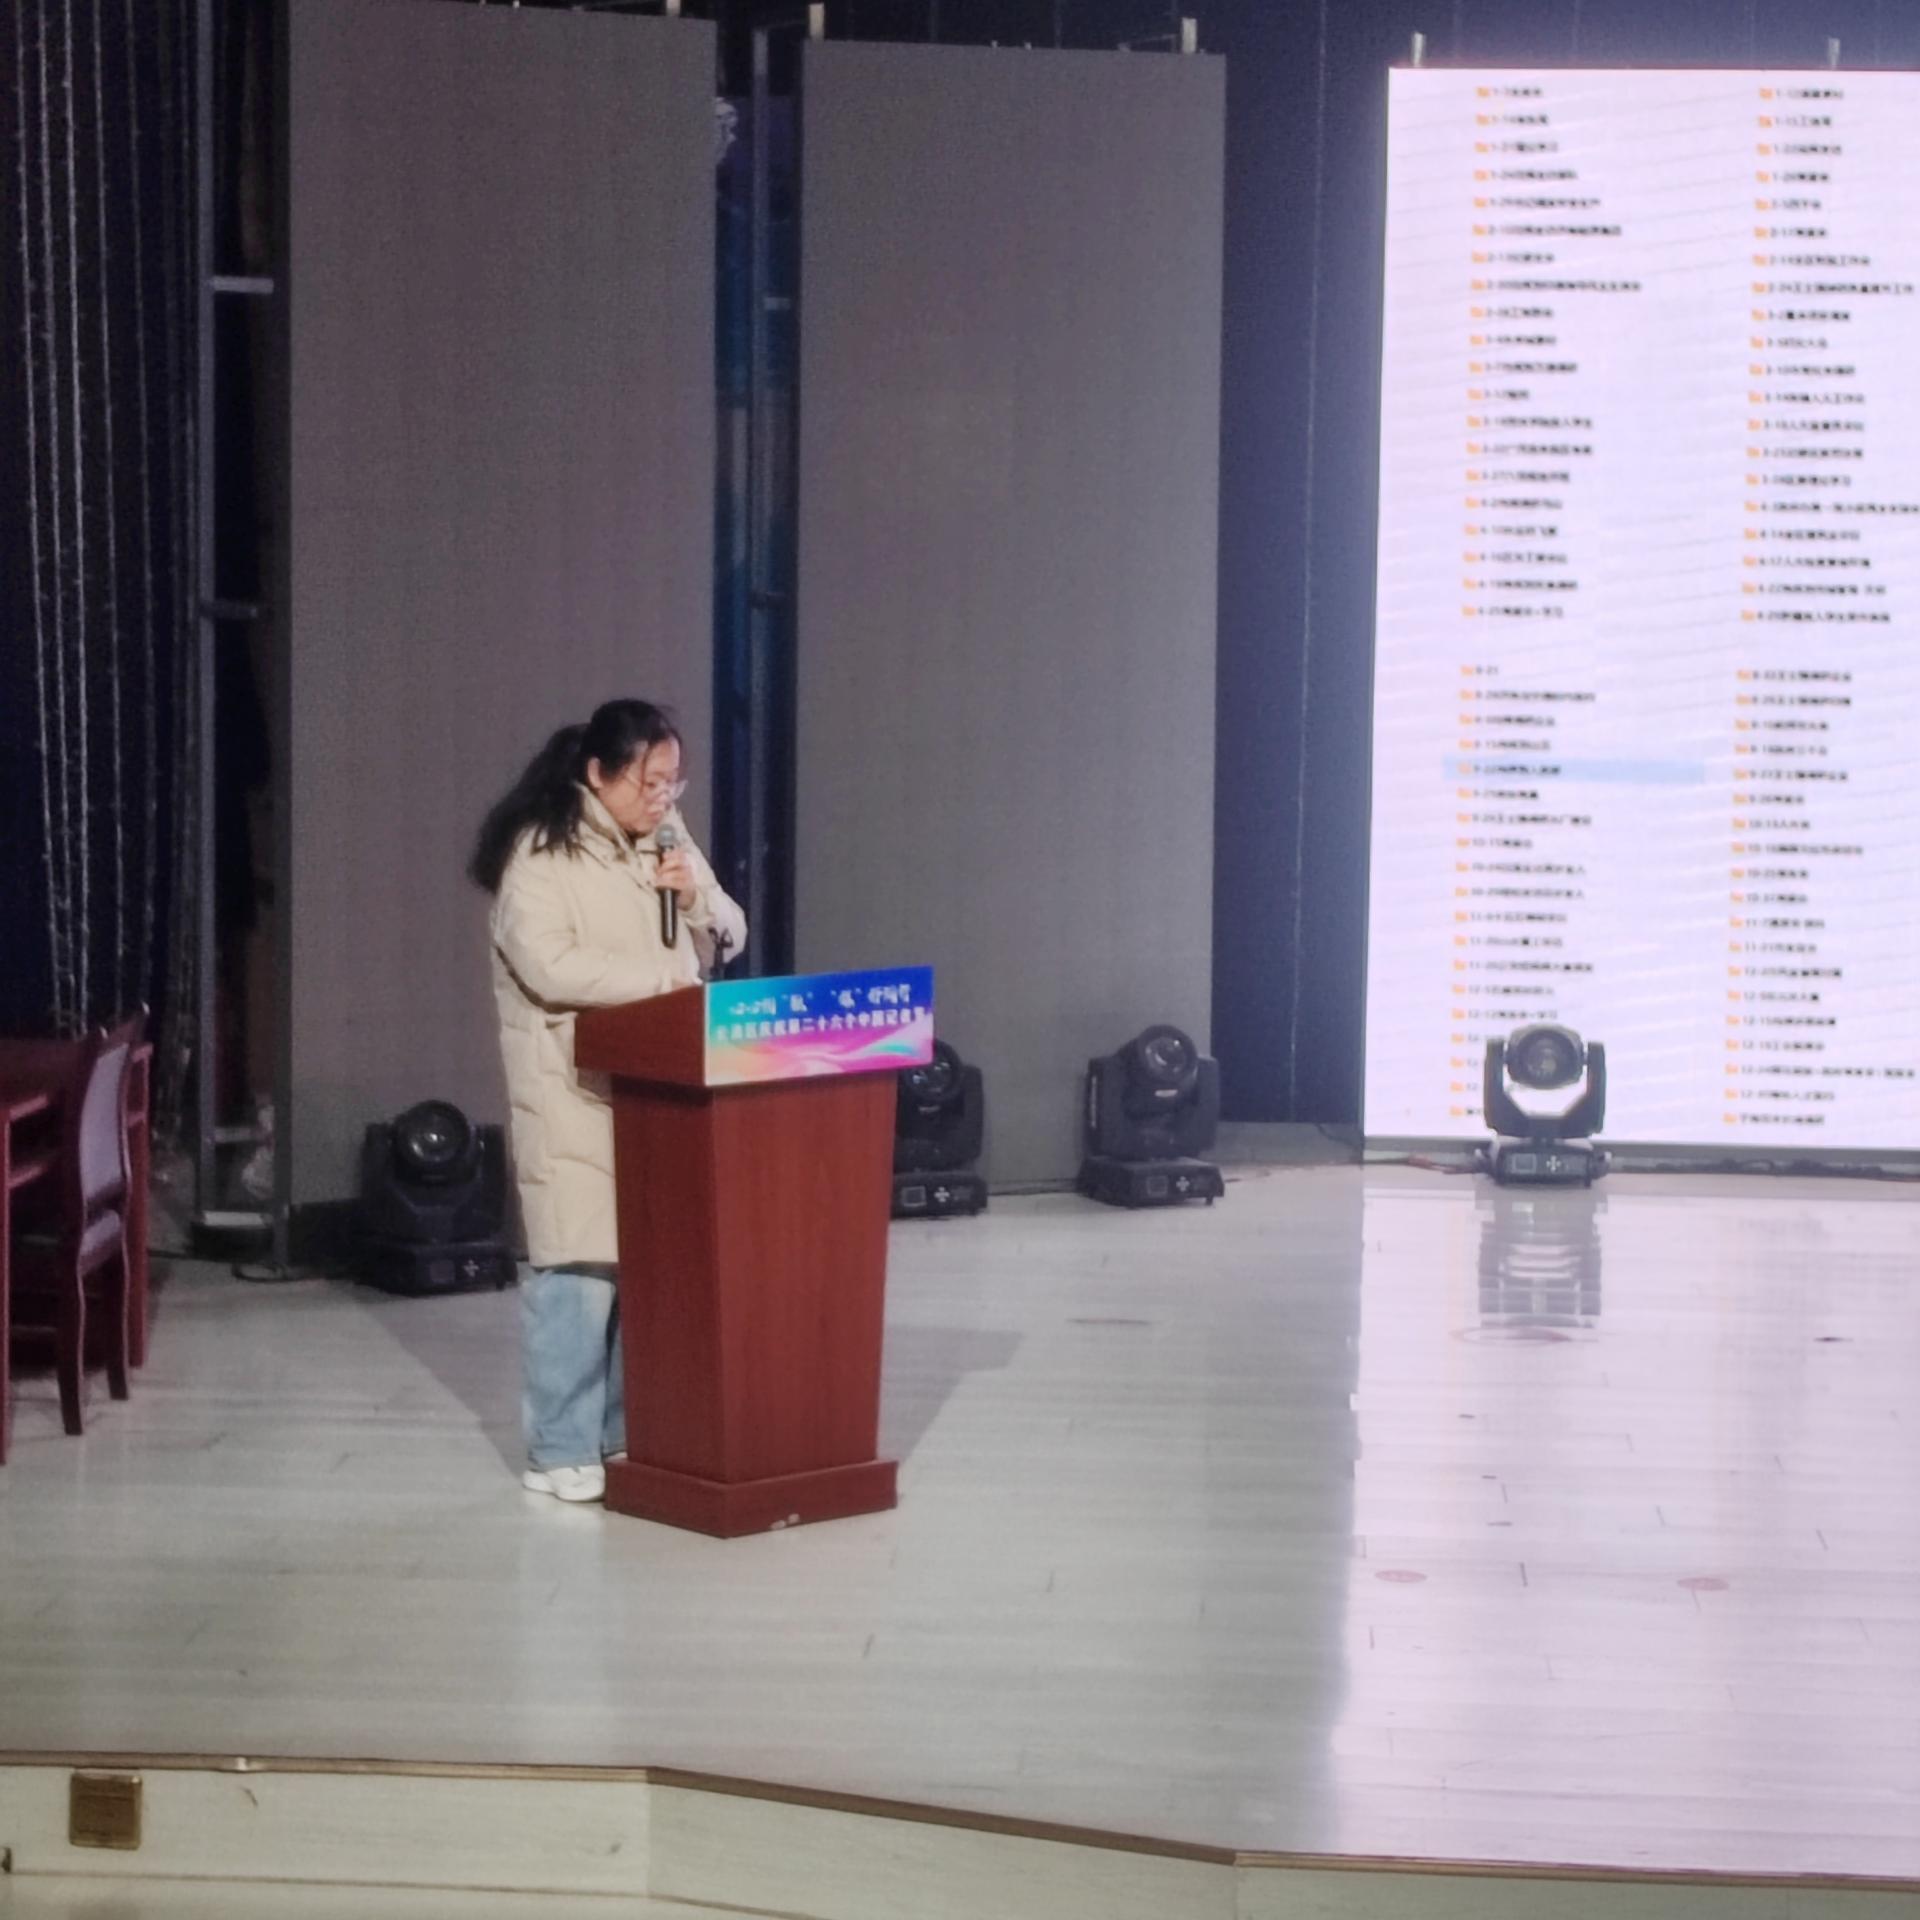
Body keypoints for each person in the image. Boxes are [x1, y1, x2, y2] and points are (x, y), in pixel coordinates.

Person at [469, 699, 747, 1503]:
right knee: (578, 1270)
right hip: (570, 1090)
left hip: (653, 1089)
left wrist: (694, 899)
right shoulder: (539, 852)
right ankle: (557, 1450)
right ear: (598, 773)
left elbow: (730, 933)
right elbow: (549, 966)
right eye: (647, 781)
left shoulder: (666, 836)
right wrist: (666, 982)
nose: (663, 797)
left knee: (642, 1269)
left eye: (673, 781)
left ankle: (619, 1436)